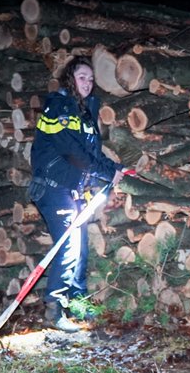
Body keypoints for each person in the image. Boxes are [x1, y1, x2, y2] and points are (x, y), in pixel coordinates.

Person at [29, 58, 123, 331]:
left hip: (72, 189)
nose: (88, 83)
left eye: (91, 79)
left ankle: (77, 303)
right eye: (82, 77)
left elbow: (92, 154)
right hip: (52, 186)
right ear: (70, 78)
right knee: (68, 247)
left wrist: (115, 168)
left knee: (79, 247)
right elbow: (72, 151)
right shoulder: (57, 106)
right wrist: (106, 172)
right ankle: (53, 309)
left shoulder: (84, 111)